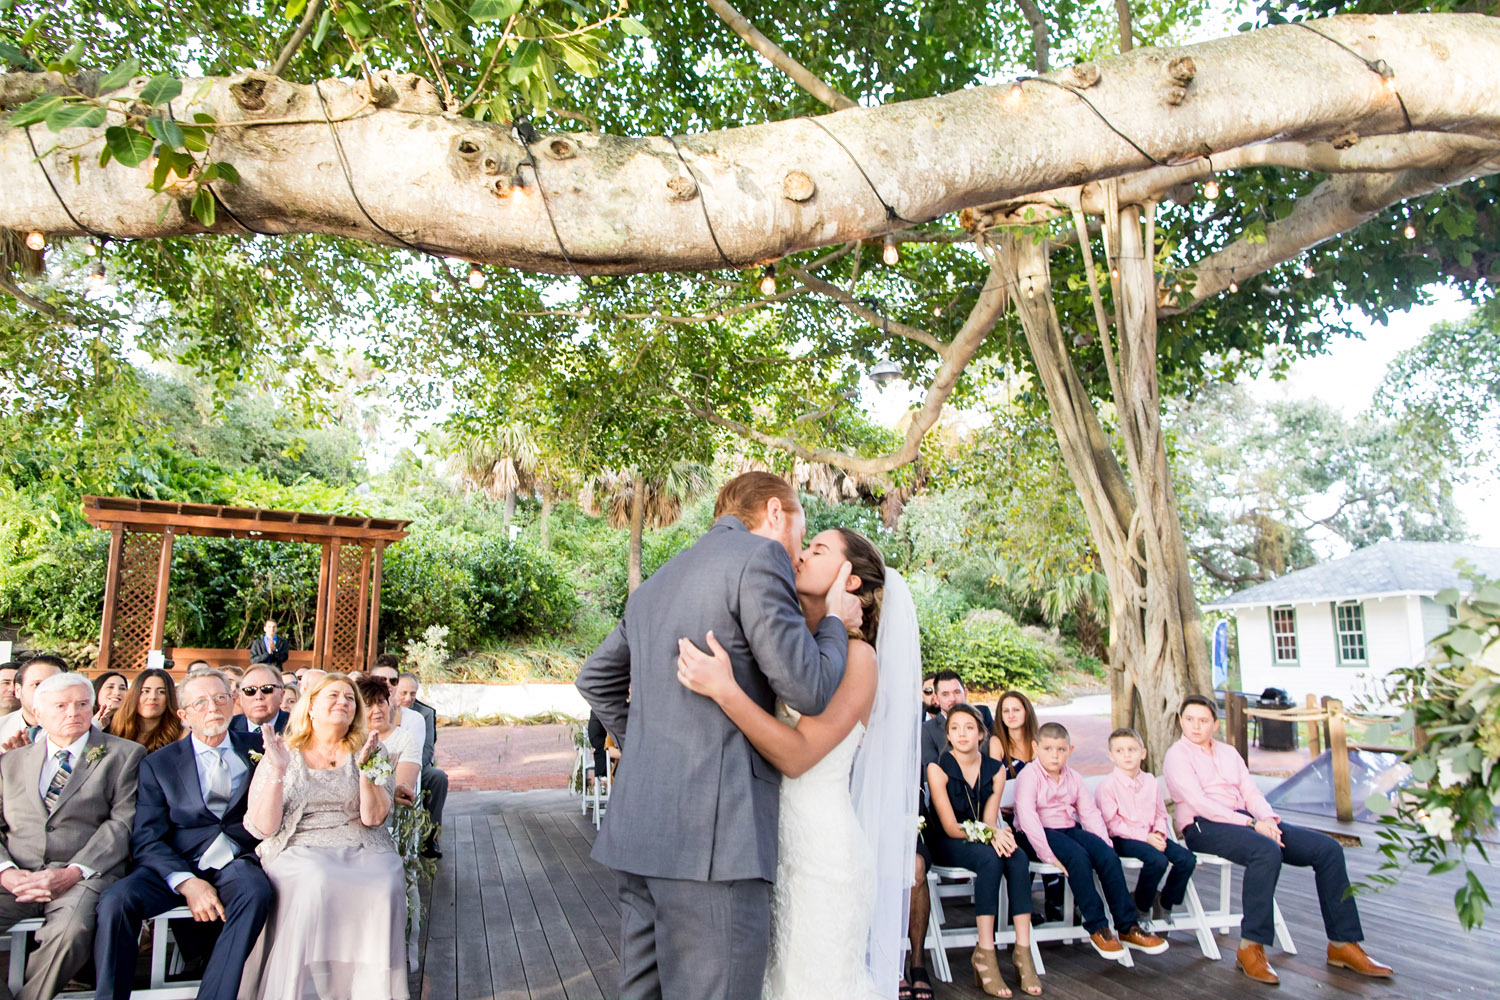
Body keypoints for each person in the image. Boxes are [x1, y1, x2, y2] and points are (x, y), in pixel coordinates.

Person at [576, 471, 860, 1000]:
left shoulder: (657, 583)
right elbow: (808, 689)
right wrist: (834, 626)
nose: (799, 547)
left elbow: (594, 678)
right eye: (802, 527)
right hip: (715, 841)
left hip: (640, 833)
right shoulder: (760, 557)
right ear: (776, 513)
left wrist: (644, 747)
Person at [676, 526, 919, 999]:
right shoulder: (793, 648)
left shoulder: (859, 657)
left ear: (850, 580)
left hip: (824, 862)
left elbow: (797, 755)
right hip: (774, 850)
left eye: (818, 549)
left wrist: (725, 690)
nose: (801, 555)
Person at [1163, 694, 1392, 985]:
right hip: (1203, 826)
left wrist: (1267, 819)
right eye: (1189, 719)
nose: (1195, 726)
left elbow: (1251, 793)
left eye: (1203, 720)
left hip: (1248, 820)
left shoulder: (1228, 753)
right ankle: (1250, 947)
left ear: (1215, 724)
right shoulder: (1177, 755)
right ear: (1181, 721)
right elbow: (1198, 802)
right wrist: (1252, 823)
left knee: (1328, 849)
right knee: (1266, 851)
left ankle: (1342, 944)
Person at [94, 667, 271, 1000]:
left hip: (236, 860)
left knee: (256, 892)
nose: (213, 708)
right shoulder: (159, 763)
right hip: (177, 862)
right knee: (117, 900)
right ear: (183, 714)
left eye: (220, 698)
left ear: (234, 702)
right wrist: (187, 882)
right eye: (201, 702)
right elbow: (147, 838)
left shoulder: (261, 746)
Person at [242, 673, 407, 999]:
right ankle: (305, 988)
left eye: (349, 698)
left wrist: (366, 774)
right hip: (299, 843)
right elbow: (263, 828)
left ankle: (368, 989)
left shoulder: (373, 748)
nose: (343, 702)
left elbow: (374, 819)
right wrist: (276, 771)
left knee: (384, 879)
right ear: (312, 707)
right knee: (316, 880)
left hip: (361, 839)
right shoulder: (283, 750)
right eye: (333, 696)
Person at [0, 673, 145, 1000]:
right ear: (38, 714)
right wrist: (6, 873)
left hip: (80, 876)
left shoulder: (124, 755)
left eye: (82, 704)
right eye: (61, 706)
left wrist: (73, 871)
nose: (73, 713)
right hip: (16, 876)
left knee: (72, 933)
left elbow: (122, 822)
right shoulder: (10, 762)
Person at [1012, 722, 1167, 962]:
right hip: (1035, 834)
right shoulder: (1029, 776)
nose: (1055, 755)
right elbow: (1028, 819)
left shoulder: (1072, 776)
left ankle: (1127, 927)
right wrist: (1048, 856)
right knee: (1077, 856)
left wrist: (1105, 844)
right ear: (1036, 748)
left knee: (1106, 855)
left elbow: (1089, 814)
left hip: (1067, 829)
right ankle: (1097, 927)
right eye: (1048, 749)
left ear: (1070, 750)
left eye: (1061, 749)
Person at [925, 705, 1039, 998]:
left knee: (1017, 857)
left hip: (980, 835)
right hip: (948, 842)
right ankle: (985, 953)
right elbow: (950, 826)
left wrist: (997, 833)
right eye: (955, 728)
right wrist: (991, 835)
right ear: (948, 734)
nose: (962, 734)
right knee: (990, 859)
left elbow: (988, 819)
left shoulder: (996, 770)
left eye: (968, 728)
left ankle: (1022, 951)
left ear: (981, 733)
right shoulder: (938, 768)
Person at [1095, 727, 1196, 923]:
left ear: (1143, 753)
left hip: (1153, 835)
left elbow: (1160, 812)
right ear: (1111, 756)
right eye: (1120, 751)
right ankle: (1141, 905)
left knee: (1186, 859)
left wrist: (1158, 831)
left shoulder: (1150, 781)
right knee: (1157, 860)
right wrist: (1145, 837)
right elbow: (1112, 824)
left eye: (1132, 750)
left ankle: (1165, 902)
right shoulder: (1107, 786)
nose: (1126, 755)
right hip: (1123, 838)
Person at [394, 672, 447, 859]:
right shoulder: (384, 709)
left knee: (437, 777)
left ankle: (430, 836)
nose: (408, 698)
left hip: (418, 765)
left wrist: (410, 767)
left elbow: (427, 750)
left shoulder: (425, 713)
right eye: (404, 693)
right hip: (389, 764)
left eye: (413, 694)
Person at [357, 677, 420, 807]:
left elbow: (401, 791)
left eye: (381, 703)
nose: (377, 710)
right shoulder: (352, 739)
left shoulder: (406, 740)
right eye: (368, 705)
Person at [921, 670, 994, 769]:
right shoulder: (927, 729)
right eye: (945, 694)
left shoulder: (982, 715)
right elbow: (932, 771)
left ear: (966, 693)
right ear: (937, 699)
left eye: (957, 692)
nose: (952, 699)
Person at [108, 668, 185, 753]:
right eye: (145, 691)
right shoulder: (114, 727)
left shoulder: (181, 734)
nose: (153, 697)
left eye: (161, 692)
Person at [0, 655, 66, 749]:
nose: (44, 690)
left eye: (53, 684)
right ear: (18, 690)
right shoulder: (2, 726)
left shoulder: (81, 730)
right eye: (37, 684)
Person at [230, 665, 290, 734]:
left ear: (281, 695)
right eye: (250, 690)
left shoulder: (299, 727)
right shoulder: (227, 729)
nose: (259, 696)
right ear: (241, 699)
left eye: (267, 689)